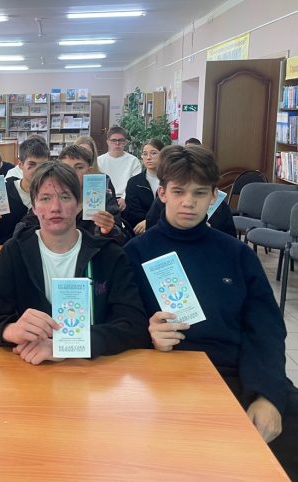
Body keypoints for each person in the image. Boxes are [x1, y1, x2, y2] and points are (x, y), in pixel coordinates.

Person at [124, 145, 298, 479]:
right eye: (179, 191)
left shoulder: (237, 254)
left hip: (235, 373)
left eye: (199, 193)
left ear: (213, 197)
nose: (188, 202)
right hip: (164, 376)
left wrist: (267, 395)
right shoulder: (135, 253)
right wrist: (148, 335)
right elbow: (123, 324)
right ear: (162, 193)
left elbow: (266, 329)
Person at [0, 161, 149, 363]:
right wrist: (9, 330)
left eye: (65, 197)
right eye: (45, 198)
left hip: (93, 372)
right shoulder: (14, 251)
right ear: (33, 206)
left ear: (79, 204)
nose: (55, 208)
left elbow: (133, 325)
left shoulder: (108, 255)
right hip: (28, 368)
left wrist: (68, 345)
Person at [15, 145, 129, 245]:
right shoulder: (49, 198)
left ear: (89, 171)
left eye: (79, 167)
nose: (72, 172)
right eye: (66, 168)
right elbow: (22, 229)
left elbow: (121, 238)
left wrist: (109, 229)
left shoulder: (103, 199)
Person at [0, 136, 50, 244]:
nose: (37, 170)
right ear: (20, 164)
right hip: (3, 250)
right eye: (31, 164)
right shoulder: (2, 191)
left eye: (42, 165)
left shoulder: (53, 196)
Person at [122, 138, 164, 236]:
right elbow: (133, 211)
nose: (148, 157)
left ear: (163, 155)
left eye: (153, 153)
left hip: (165, 228)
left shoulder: (170, 181)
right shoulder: (134, 182)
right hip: (140, 231)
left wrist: (149, 222)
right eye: (145, 154)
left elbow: (171, 208)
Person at [97, 126, 142, 210]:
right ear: (108, 142)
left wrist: (124, 198)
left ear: (125, 142)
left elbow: (135, 184)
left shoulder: (133, 161)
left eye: (121, 140)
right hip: (105, 199)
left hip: (128, 199)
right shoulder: (99, 161)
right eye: (114, 140)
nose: (117, 143)